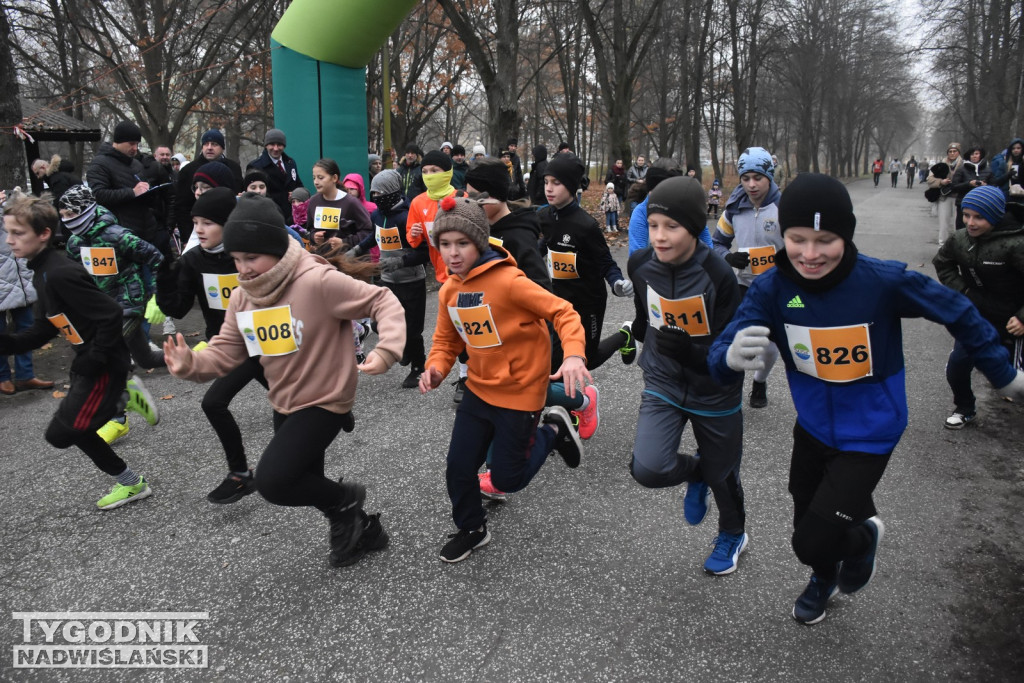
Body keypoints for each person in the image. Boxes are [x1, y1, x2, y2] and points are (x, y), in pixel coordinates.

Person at [707, 173, 1024, 625]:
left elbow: (958, 310)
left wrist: (1003, 373)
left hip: (871, 432)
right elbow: (727, 342)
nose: (810, 254)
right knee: (805, 519)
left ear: (846, 235)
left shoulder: (881, 281)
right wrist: (727, 359)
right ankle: (824, 577)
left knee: (810, 542)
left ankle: (860, 541)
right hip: (813, 427)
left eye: (826, 240)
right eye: (797, 239)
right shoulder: (772, 287)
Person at [163, 193, 407, 567]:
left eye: (251, 258)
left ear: (277, 250)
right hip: (285, 399)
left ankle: (348, 500)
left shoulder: (316, 282)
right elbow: (227, 351)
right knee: (305, 481)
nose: (242, 270)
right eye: (237, 259)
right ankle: (361, 528)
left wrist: (387, 349)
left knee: (276, 482)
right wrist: (190, 365)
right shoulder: (244, 297)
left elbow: (383, 301)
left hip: (326, 398)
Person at [417, 195, 589, 563]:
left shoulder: (510, 282)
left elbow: (564, 313)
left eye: (461, 243)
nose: (453, 253)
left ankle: (555, 431)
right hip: (478, 389)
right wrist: (435, 368)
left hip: (521, 394)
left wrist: (574, 354)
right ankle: (472, 529)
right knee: (458, 468)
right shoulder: (449, 290)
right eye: (444, 244)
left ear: (479, 241)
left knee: (508, 479)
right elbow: (446, 341)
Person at [0, 194, 159, 510]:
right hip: (89, 362)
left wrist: (95, 358)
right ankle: (123, 407)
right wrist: (8, 342)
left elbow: (111, 314)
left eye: (18, 233)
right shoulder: (42, 271)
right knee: (70, 430)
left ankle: (132, 480)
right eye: (7, 232)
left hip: (101, 363)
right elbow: (46, 327)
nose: (9, 240)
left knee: (63, 433)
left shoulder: (60, 272)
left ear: (44, 233)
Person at [625, 176, 748, 576]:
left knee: (723, 472)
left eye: (671, 228)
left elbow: (730, 352)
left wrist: (693, 352)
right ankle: (696, 472)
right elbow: (646, 320)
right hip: (662, 381)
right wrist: (625, 339)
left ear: (695, 229)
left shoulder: (719, 276)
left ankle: (733, 533)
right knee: (647, 468)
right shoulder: (641, 264)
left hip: (714, 391)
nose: (659, 237)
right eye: (653, 224)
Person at [155, 187, 266, 502]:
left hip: (265, 341)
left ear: (228, 223)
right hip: (229, 346)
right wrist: (164, 275)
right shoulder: (192, 260)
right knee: (214, 403)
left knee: (289, 396)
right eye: (195, 223)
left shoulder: (249, 254)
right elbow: (177, 308)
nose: (199, 230)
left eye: (207, 223)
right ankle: (241, 475)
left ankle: (329, 409)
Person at [59, 185, 165, 444]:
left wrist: (159, 297)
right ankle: (199, 355)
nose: (66, 220)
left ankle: (118, 418)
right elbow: (76, 276)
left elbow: (157, 257)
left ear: (86, 210)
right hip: (100, 311)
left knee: (106, 355)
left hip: (128, 305)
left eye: (71, 213)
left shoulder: (117, 235)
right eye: (62, 215)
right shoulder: (74, 243)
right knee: (147, 357)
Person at [933, 185, 1024, 429]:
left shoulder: (1016, 243)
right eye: (966, 215)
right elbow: (943, 263)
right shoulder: (960, 238)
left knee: (1015, 379)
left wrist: (1022, 317)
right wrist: (963, 291)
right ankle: (965, 407)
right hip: (975, 315)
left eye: (979, 217)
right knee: (957, 367)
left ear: (994, 216)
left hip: (1013, 319)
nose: (970, 222)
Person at [540, 153, 634, 371]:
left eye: (556, 183)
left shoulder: (586, 226)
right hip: (559, 299)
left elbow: (606, 263)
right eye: (546, 182)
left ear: (572, 187)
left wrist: (617, 282)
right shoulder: (544, 216)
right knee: (555, 358)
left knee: (586, 359)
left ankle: (624, 336)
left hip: (588, 301)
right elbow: (545, 244)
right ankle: (566, 402)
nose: (548, 188)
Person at [711, 147, 783, 408]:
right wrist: (728, 258)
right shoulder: (733, 208)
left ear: (770, 177)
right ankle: (731, 392)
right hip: (744, 284)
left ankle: (760, 380)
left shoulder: (783, 208)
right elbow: (717, 243)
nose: (751, 185)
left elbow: (799, 249)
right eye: (745, 178)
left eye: (758, 178)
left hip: (778, 287)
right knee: (737, 338)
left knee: (771, 344)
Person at [347, 169, 427, 388]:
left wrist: (401, 262)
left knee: (411, 329)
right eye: (373, 193)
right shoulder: (376, 215)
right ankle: (403, 348)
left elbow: (423, 252)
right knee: (380, 322)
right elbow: (375, 236)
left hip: (411, 280)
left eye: (381, 192)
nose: (376, 197)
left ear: (393, 192)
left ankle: (419, 367)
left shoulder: (407, 216)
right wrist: (355, 251)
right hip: (386, 278)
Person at [405, 150, 468, 401]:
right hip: (443, 277)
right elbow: (412, 239)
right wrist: (416, 231)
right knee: (455, 329)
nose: (430, 175)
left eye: (435, 170)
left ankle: (469, 376)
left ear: (448, 172)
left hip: (468, 275)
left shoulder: (461, 198)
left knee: (468, 326)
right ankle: (465, 375)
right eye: (425, 171)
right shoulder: (418, 203)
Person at [0, 199, 54, 395]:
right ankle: (2, 377)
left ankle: (25, 375)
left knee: (28, 327)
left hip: (21, 279)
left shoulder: (10, 206)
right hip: (3, 278)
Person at [86, 121, 162, 247]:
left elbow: (141, 191)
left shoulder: (136, 164)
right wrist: (132, 192)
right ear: (118, 141)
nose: (135, 149)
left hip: (145, 233)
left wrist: (150, 192)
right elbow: (98, 195)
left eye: (137, 144)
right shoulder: (99, 164)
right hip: (119, 236)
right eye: (131, 144)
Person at [175, 129, 243, 242]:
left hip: (229, 228)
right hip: (198, 232)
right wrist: (186, 237)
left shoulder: (234, 168)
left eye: (214, 144)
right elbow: (182, 207)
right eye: (206, 144)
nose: (209, 147)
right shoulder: (188, 170)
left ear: (222, 148)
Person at [305, 158, 372, 251]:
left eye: (320, 178)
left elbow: (368, 232)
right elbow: (310, 229)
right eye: (314, 178)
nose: (316, 182)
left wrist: (344, 242)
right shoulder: (313, 202)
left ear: (334, 178)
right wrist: (314, 237)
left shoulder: (351, 203)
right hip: (323, 261)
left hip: (349, 261)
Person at [245, 128, 304, 222]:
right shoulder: (255, 166)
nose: (276, 148)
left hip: (292, 217)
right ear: (266, 145)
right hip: (270, 217)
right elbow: (253, 194)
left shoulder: (291, 163)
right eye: (272, 144)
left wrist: (296, 193)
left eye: (279, 145)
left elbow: (299, 185)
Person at [926, 143, 964, 247]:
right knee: (943, 224)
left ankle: (958, 246)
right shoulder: (940, 165)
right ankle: (942, 246)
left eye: (954, 151)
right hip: (944, 197)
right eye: (950, 151)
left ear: (959, 152)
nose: (952, 153)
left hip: (960, 198)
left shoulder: (964, 164)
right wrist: (941, 182)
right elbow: (929, 180)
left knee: (959, 224)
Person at [950, 147, 989, 230]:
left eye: (976, 154)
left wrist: (986, 186)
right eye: (972, 154)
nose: (974, 156)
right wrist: (968, 184)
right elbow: (954, 187)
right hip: (963, 203)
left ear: (981, 155)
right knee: (962, 228)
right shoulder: (961, 169)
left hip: (981, 203)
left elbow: (995, 185)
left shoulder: (988, 170)